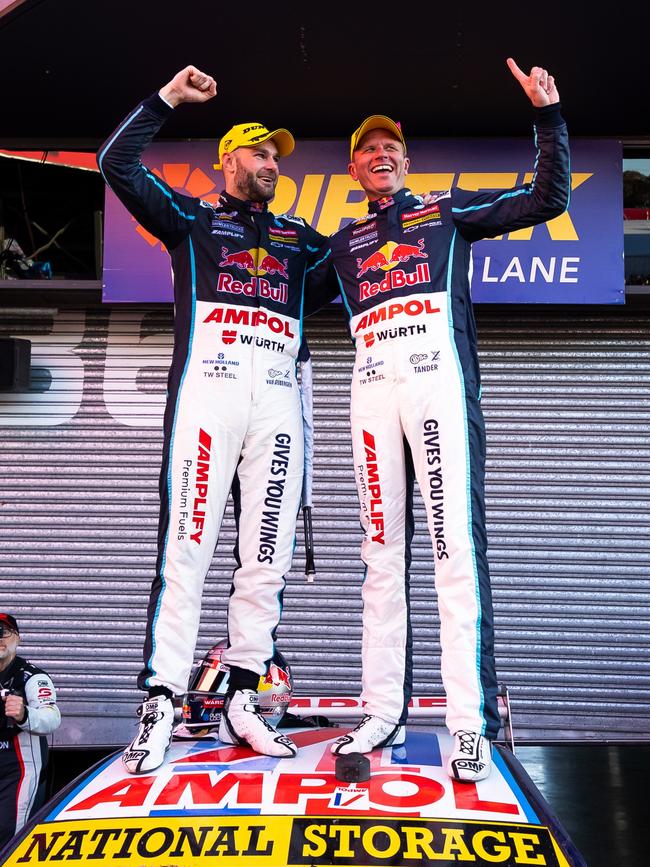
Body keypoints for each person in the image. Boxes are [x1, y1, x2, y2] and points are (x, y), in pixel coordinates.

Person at [307, 58, 570, 781]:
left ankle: (467, 726)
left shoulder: (446, 215)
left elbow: (547, 198)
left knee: (454, 556)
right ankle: (381, 712)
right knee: (379, 563)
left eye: (391, 146)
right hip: (369, 399)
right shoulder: (342, 244)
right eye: (368, 149)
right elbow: (277, 295)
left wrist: (547, 115)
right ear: (355, 169)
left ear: (406, 161)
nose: (380, 155)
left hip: (437, 391)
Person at [98, 66, 326, 773]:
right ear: (227, 160)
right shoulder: (192, 219)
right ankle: (162, 700)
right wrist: (168, 98)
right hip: (209, 396)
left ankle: (245, 696)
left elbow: (362, 278)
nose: (271, 165)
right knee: (186, 550)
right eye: (259, 153)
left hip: (279, 405)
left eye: (277, 158)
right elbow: (117, 163)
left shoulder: (298, 236)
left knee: (266, 561)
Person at [0, 613, 61, 848]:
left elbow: (51, 717)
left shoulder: (32, 677)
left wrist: (25, 714)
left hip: (20, 767)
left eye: (3, 632)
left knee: (12, 835)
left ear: (18, 639)